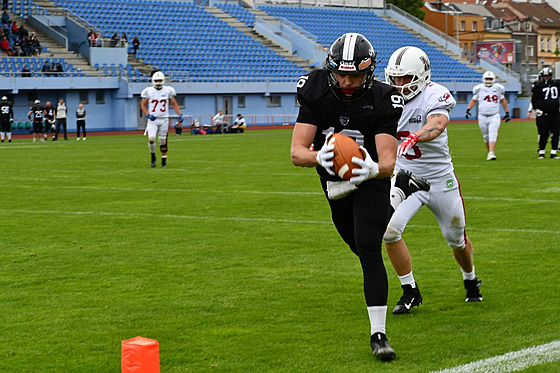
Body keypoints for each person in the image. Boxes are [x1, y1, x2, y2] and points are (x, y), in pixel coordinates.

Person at [290, 33, 429, 362]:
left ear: (370, 71)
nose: (348, 81)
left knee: (369, 247)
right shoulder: (315, 89)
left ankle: (378, 335)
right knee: (356, 244)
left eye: (356, 75)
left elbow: (387, 161)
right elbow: (297, 152)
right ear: (331, 70)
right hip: (335, 184)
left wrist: (371, 170)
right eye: (342, 74)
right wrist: (319, 158)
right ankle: (401, 191)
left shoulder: (383, 98)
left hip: (370, 178)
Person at [383, 46, 482, 315]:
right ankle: (410, 290)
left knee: (456, 239)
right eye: (395, 78)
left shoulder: (435, 94)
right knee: (389, 230)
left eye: (406, 78)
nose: (399, 84)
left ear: (422, 76)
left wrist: (418, 135)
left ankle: (470, 278)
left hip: (439, 179)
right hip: (406, 177)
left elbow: (437, 123)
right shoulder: (385, 96)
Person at [140, 71, 183, 168]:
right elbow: (143, 105)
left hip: (164, 119)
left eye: (160, 80)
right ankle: (153, 156)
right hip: (153, 120)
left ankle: (164, 161)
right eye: (157, 80)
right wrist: (148, 114)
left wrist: (179, 114)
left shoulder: (168, 90)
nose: (158, 82)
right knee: (151, 139)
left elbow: (174, 103)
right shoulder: (148, 91)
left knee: (163, 140)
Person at [465, 71, 510, 160]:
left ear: (493, 79)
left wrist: (507, 112)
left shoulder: (498, 88)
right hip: (482, 115)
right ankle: (489, 152)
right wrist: (468, 110)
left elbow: (503, 101)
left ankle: (491, 152)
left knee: (493, 133)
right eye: (487, 79)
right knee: (486, 136)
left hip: (494, 115)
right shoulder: (479, 88)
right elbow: (473, 100)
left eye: (490, 79)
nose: (488, 81)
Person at [531, 67, 560, 159]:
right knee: (543, 133)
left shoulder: (557, 84)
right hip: (543, 113)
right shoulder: (538, 86)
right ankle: (542, 152)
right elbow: (534, 99)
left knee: (555, 133)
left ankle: (553, 152)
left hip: (555, 113)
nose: (546, 78)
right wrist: (536, 109)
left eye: (548, 76)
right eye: (545, 76)